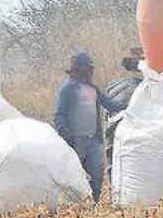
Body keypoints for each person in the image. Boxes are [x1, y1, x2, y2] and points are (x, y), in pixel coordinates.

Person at [54, 50, 125, 201]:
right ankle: (76, 206)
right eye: (88, 69)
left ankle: (94, 203)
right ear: (79, 70)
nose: (90, 72)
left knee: (96, 175)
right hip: (75, 140)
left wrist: (129, 105)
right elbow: (60, 115)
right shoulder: (68, 89)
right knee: (74, 176)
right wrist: (66, 138)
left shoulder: (92, 89)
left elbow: (110, 104)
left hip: (93, 140)